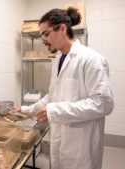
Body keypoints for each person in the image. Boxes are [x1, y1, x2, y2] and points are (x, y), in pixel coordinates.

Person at [16, 7, 114, 169]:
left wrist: (55, 111)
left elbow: (104, 103)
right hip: (60, 137)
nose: (43, 41)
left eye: (45, 34)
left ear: (62, 28)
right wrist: (29, 109)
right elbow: (53, 95)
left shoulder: (92, 59)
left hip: (81, 144)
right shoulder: (58, 59)